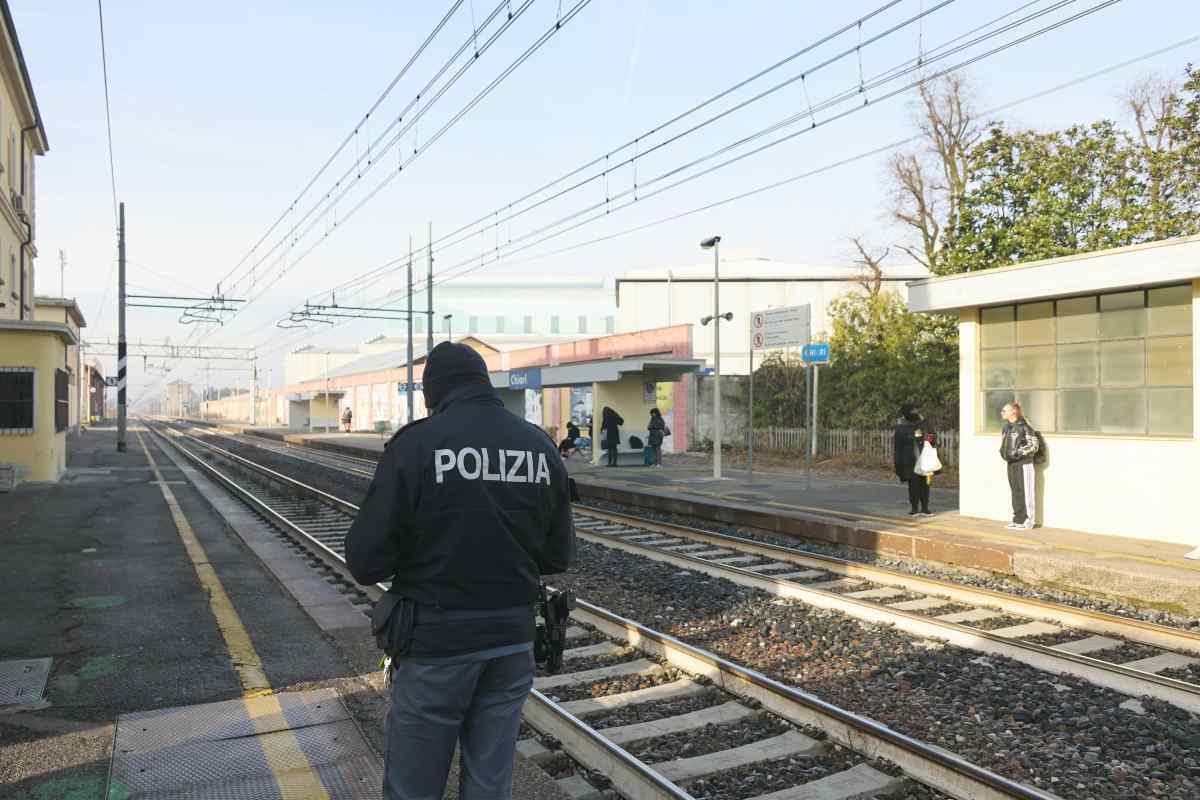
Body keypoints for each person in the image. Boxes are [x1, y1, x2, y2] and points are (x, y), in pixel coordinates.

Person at [344, 342, 576, 800]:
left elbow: (365, 562)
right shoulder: (539, 446)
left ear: (434, 393)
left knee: (414, 786)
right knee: (490, 784)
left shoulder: (416, 445)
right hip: (511, 642)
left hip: (436, 644)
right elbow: (557, 557)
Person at [999, 401, 1040, 530]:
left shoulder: (1025, 427)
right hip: (1011, 464)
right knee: (1015, 491)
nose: (1002, 413)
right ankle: (1018, 519)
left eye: (1004, 410)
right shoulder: (1006, 428)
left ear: (1013, 412)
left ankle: (1028, 521)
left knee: (1026, 492)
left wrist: (1018, 453)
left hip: (1024, 463)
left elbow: (1034, 445)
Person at [893, 404, 935, 517]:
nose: (915, 412)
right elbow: (898, 447)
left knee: (926, 484)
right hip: (909, 461)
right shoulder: (901, 427)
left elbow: (933, 436)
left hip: (925, 459)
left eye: (916, 409)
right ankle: (915, 509)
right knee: (913, 485)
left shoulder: (924, 423)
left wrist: (927, 438)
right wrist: (898, 464)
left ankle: (925, 508)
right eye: (912, 410)